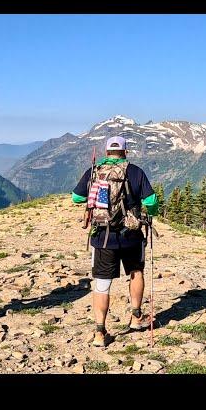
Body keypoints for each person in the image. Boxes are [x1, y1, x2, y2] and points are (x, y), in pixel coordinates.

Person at [71, 136, 159, 347]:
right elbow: (151, 200)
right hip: (131, 236)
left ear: (106, 152)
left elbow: (76, 197)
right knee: (136, 272)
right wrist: (152, 213)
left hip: (102, 236)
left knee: (102, 284)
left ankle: (100, 333)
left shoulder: (94, 171)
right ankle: (136, 317)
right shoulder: (135, 171)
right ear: (125, 152)